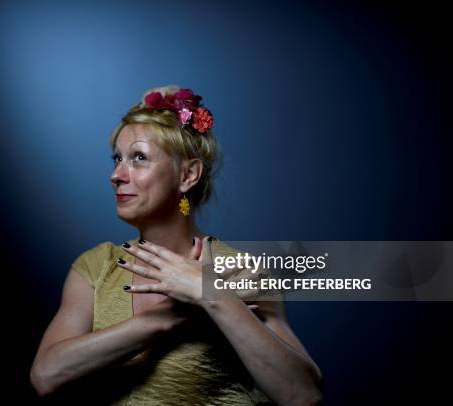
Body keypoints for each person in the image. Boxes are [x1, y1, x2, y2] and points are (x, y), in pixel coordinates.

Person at [30, 85, 323, 405]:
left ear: (188, 175)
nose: (116, 175)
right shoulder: (96, 267)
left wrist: (213, 295)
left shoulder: (241, 272)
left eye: (138, 158)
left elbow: (303, 395)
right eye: (117, 159)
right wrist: (169, 317)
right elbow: (46, 376)